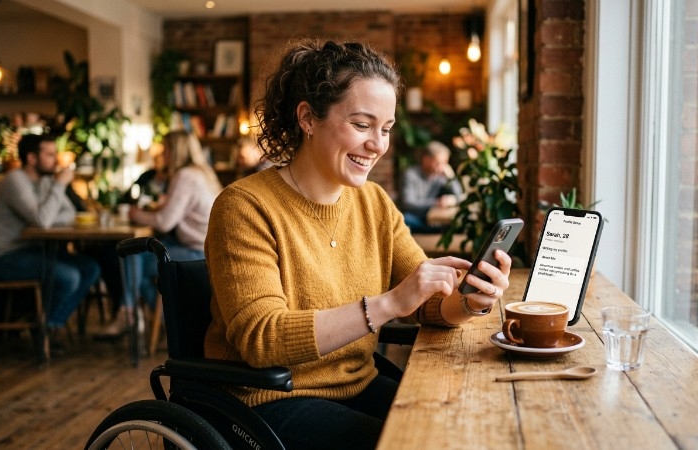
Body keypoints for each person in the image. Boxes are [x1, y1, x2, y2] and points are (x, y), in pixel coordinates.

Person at [203, 39, 512, 450]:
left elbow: (423, 302)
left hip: (356, 383)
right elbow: (262, 338)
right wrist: (386, 305)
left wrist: (470, 300)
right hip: (268, 398)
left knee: (455, 427)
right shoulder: (244, 207)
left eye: (385, 129)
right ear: (308, 118)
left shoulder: (373, 203)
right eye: (363, 125)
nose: (378, 145)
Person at [96, 131, 222, 336]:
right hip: (207, 248)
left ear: (175, 151)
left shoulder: (185, 176)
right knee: (137, 265)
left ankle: (133, 314)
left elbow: (164, 222)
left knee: (132, 256)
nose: (161, 155)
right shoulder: (201, 172)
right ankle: (168, 322)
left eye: (164, 150)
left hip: (197, 251)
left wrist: (135, 213)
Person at [0, 133, 101, 354]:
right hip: (6, 256)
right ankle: (44, 330)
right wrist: (58, 188)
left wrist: (48, 210)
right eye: (49, 154)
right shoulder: (15, 180)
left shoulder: (46, 181)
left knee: (90, 268)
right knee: (69, 276)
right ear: (31, 158)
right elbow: (42, 220)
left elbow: (68, 214)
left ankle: (50, 325)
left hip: (34, 250)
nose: (56, 160)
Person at [399, 140, 463, 233]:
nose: (441, 167)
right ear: (426, 159)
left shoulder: (440, 176)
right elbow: (408, 203)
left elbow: (459, 195)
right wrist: (436, 203)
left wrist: (451, 177)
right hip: (415, 216)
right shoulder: (410, 174)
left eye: (445, 163)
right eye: (438, 162)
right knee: (405, 220)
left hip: (434, 217)